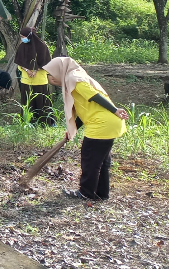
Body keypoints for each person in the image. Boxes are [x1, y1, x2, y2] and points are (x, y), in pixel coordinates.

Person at [43, 55, 130, 202]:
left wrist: (115, 110)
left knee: (90, 160)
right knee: (101, 161)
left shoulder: (74, 78)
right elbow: (84, 109)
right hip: (106, 123)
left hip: (101, 123)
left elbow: (94, 96)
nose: (50, 79)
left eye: (51, 75)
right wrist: (73, 129)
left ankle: (86, 193)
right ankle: (101, 194)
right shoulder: (75, 78)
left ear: (60, 71)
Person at [15, 26, 55, 124]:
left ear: (29, 35)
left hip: (40, 80)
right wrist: (27, 70)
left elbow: (47, 63)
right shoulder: (22, 46)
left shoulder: (42, 46)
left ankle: (44, 122)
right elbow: (19, 62)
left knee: (42, 101)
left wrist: (36, 70)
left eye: (23, 36)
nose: (22, 38)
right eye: (21, 36)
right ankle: (28, 122)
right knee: (28, 102)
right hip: (26, 80)